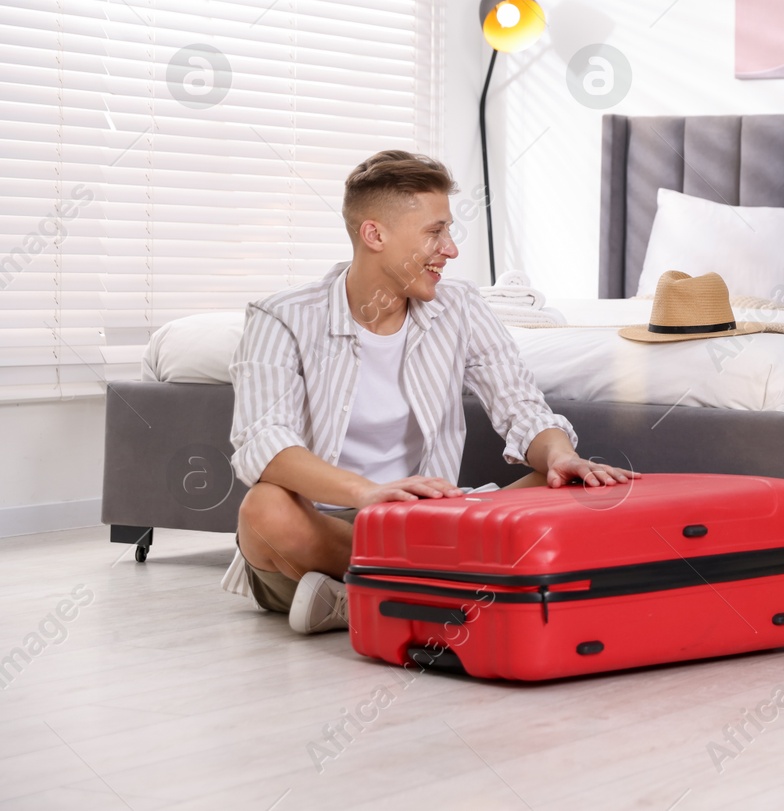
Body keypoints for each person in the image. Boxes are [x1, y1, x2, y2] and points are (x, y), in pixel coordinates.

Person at [224, 150, 634, 634]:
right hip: (325, 528)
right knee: (264, 508)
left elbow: (520, 406)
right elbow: (264, 443)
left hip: (430, 524)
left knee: (574, 485)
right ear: (374, 234)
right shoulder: (281, 316)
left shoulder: (459, 305)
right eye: (435, 232)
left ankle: (363, 600)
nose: (451, 249)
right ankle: (443, 587)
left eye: (449, 231)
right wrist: (370, 493)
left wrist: (560, 453)